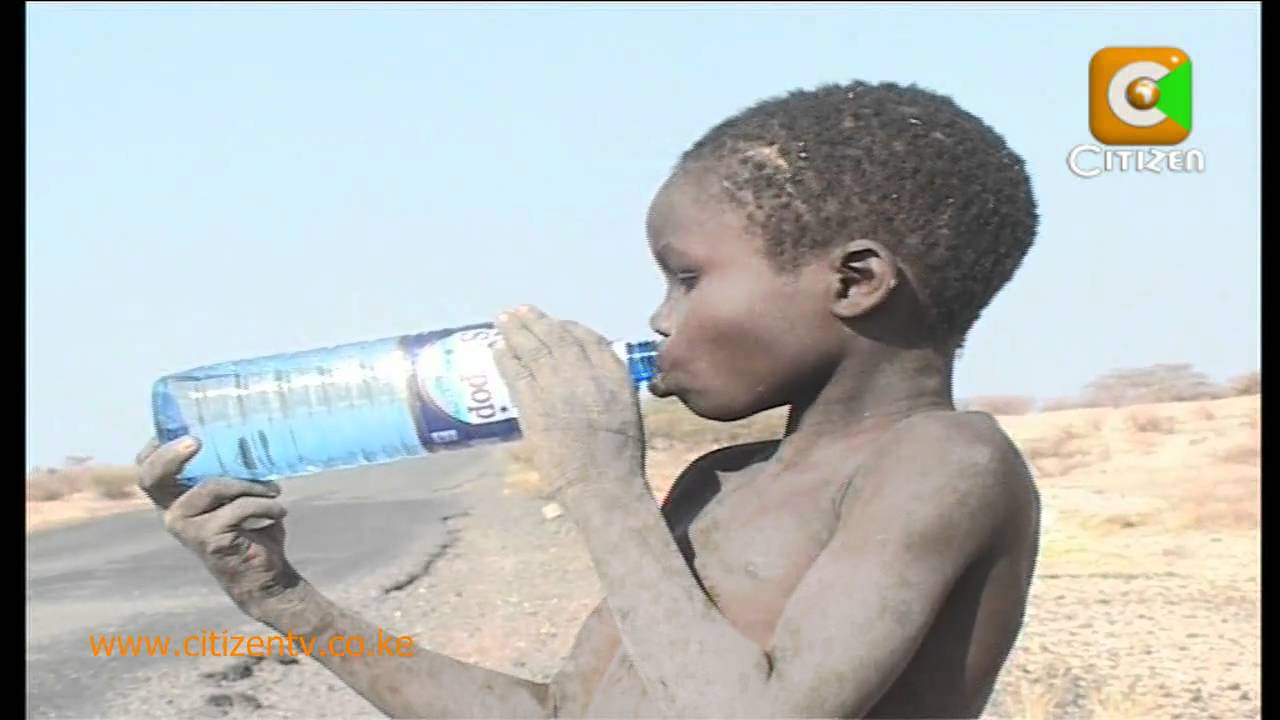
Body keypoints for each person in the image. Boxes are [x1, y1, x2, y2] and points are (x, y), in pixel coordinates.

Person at [137, 79, 1041, 719]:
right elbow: (570, 713)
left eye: (687, 278)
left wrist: (601, 485)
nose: (660, 315)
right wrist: (286, 600)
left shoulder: (946, 461)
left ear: (855, 280)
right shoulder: (721, 481)